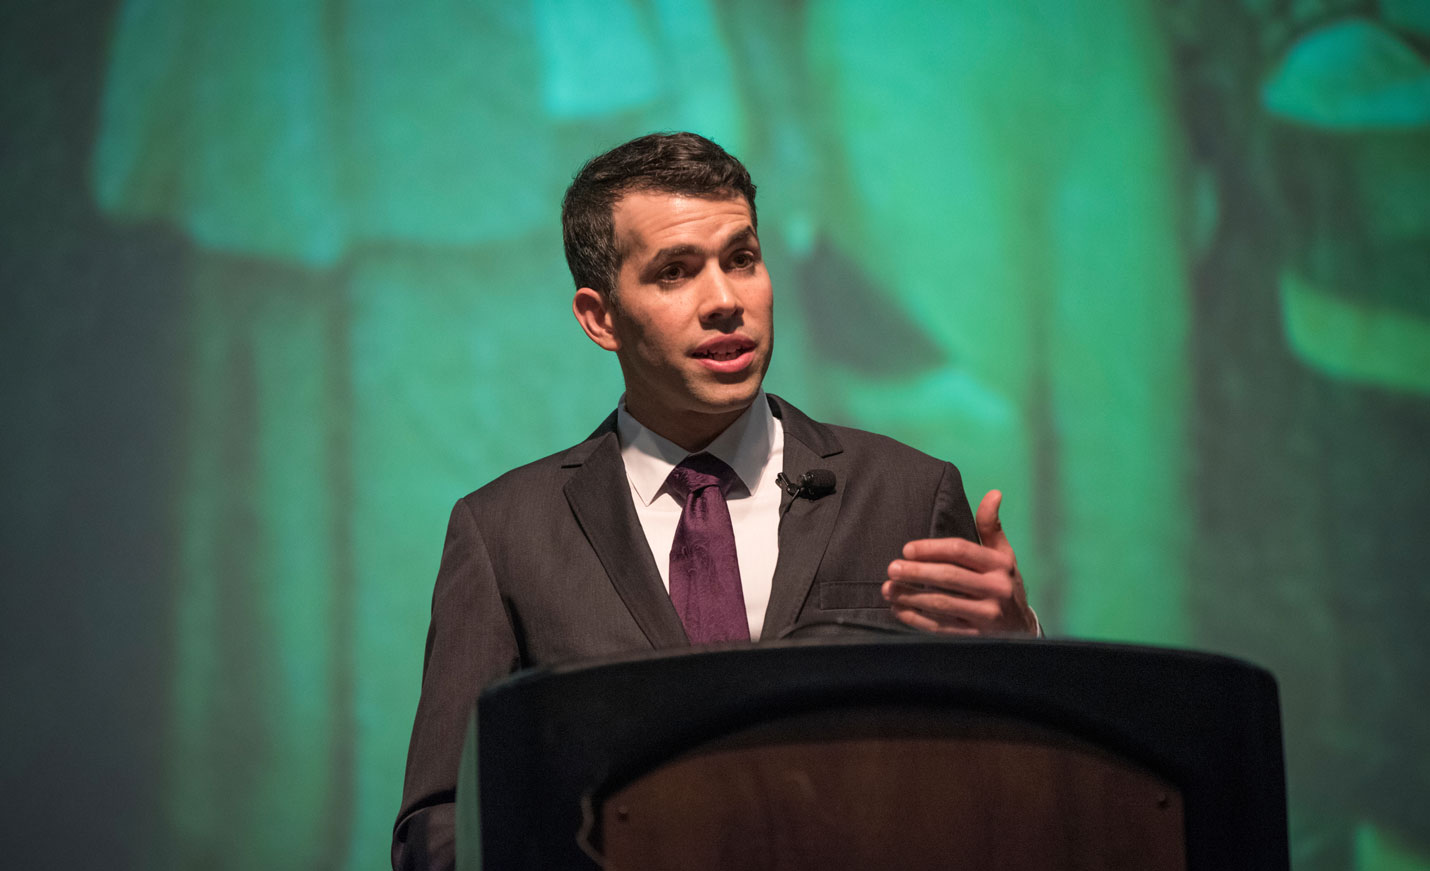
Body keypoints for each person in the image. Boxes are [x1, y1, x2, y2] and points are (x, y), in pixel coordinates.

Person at [392, 131, 1038, 871]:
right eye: (675, 272)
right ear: (599, 317)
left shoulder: (908, 493)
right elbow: (438, 826)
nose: (726, 300)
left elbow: (1009, 786)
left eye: (742, 259)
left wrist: (1021, 654)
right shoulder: (505, 534)